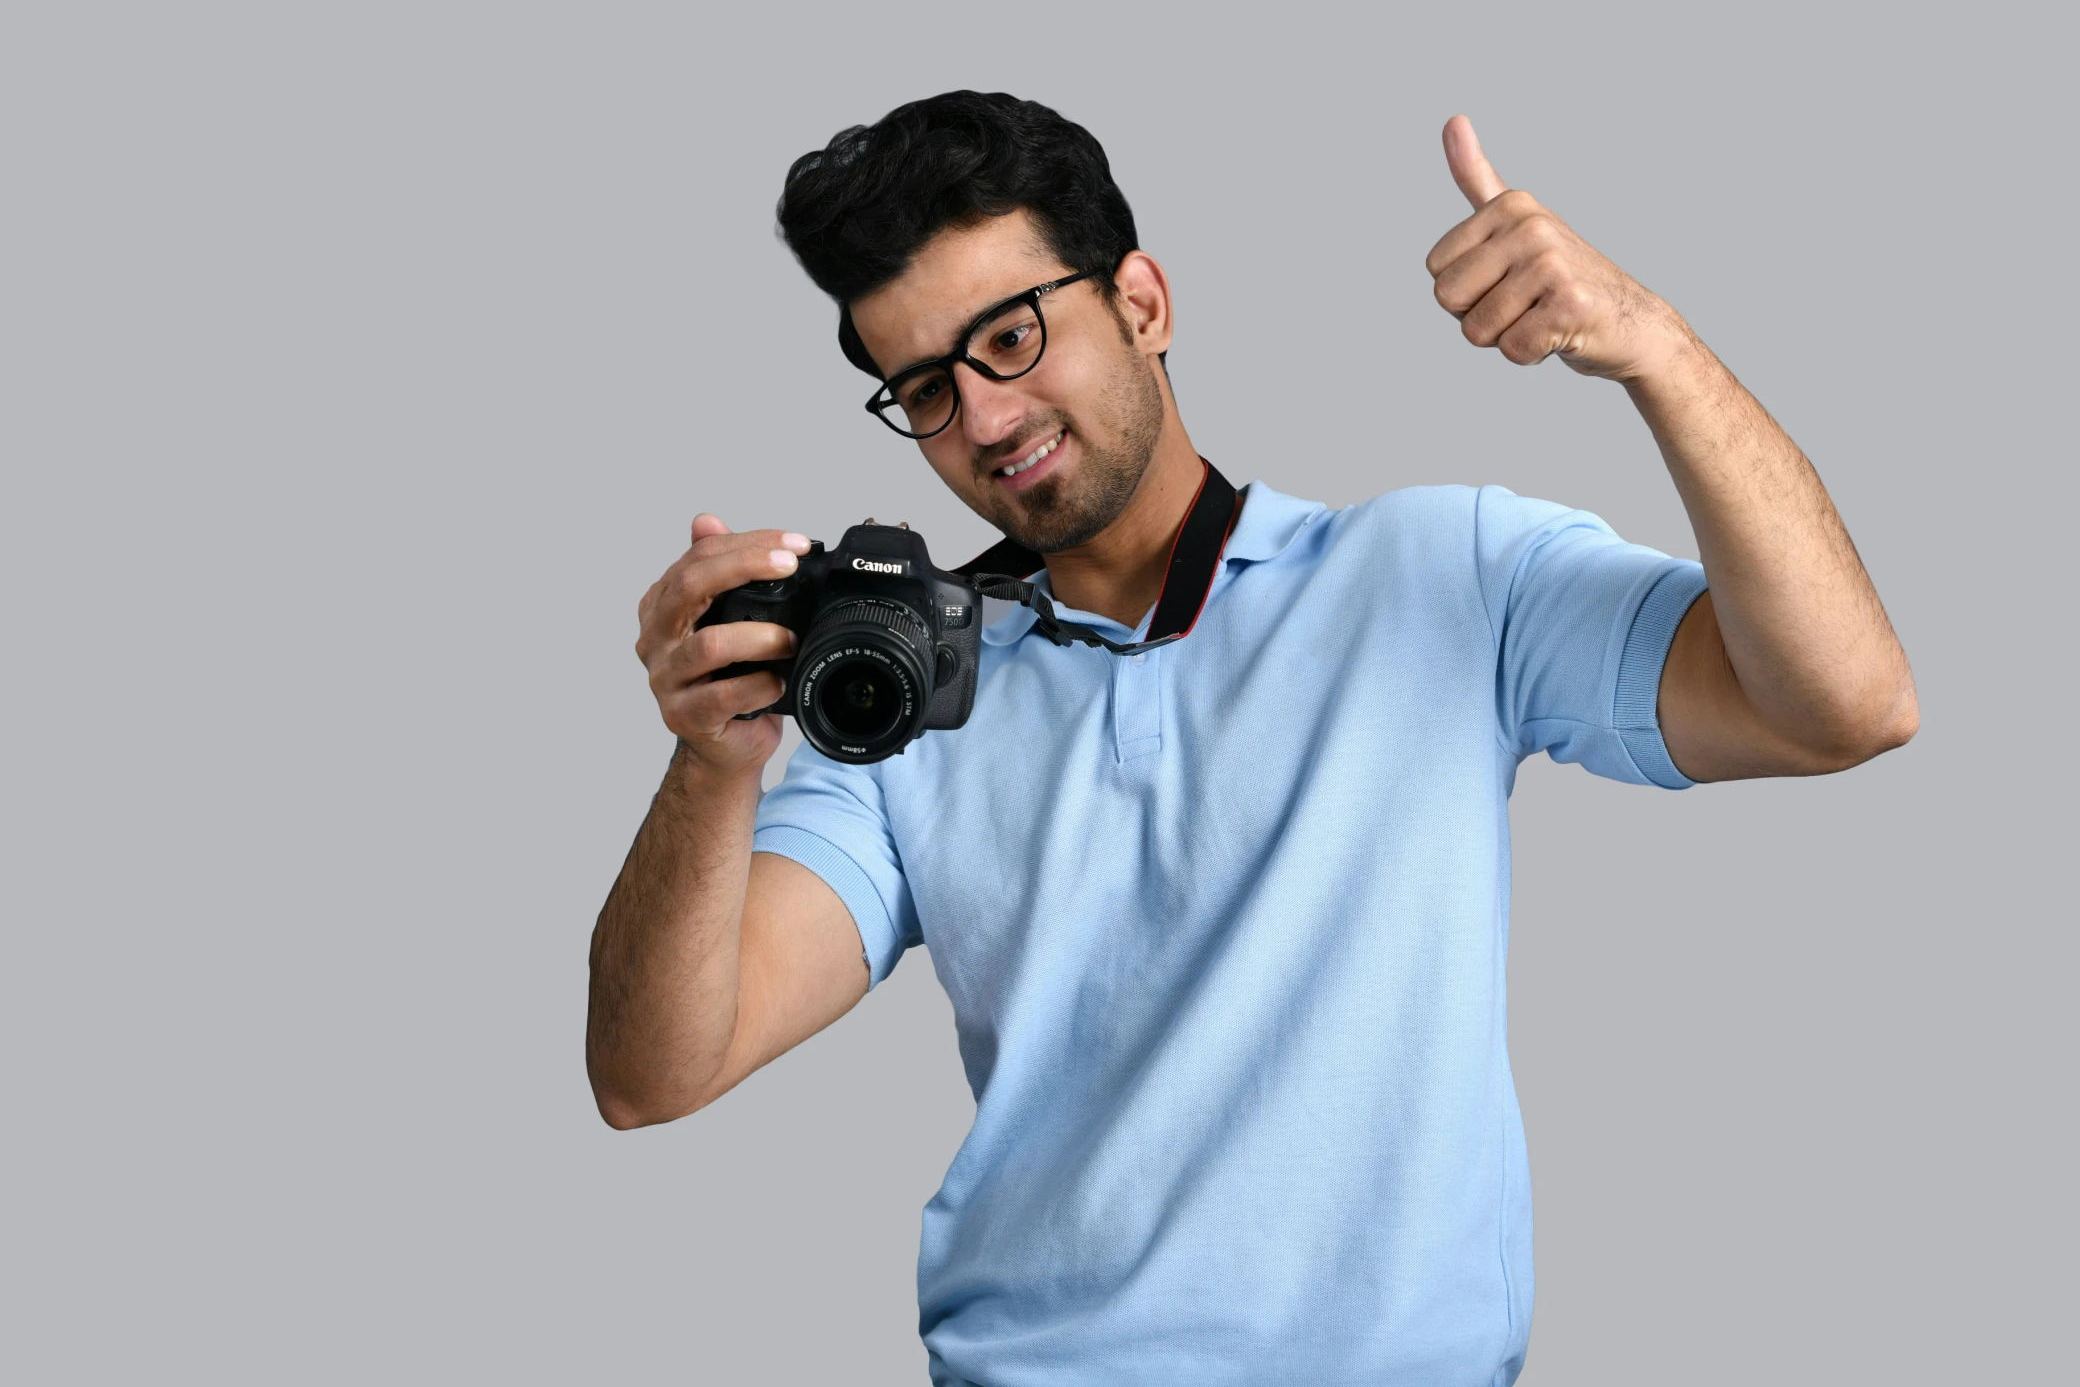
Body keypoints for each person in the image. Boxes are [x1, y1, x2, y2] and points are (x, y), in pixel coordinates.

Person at [587, 91, 1917, 1386]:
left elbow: (1844, 704)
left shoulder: (1440, 570)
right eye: (923, 387)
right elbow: (656, 1071)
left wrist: (1656, 351)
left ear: (1142, 303)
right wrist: (713, 761)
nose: (983, 420)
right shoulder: (910, 699)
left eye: (1007, 339)